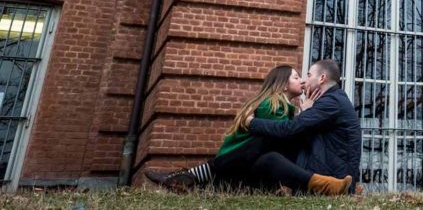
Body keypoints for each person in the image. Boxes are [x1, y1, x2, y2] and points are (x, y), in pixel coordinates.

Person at [145, 64, 352, 195]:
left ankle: (189, 178)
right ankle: (188, 177)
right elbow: (282, 133)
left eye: (304, 76)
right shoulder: (273, 104)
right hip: (237, 162)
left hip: (246, 164)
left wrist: (301, 114)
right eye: (297, 77)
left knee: (271, 157)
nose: (303, 80)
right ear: (282, 84)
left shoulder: (287, 107)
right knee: (269, 143)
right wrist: (302, 114)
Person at [245, 58, 361, 195]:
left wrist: (250, 122)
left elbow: (289, 129)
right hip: (334, 168)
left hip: (333, 174)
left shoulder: (331, 102)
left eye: (309, 75)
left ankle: (321, 186)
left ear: (322, 78)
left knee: (272, 157)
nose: (304, 80)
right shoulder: (333, 99)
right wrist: (304, 112)